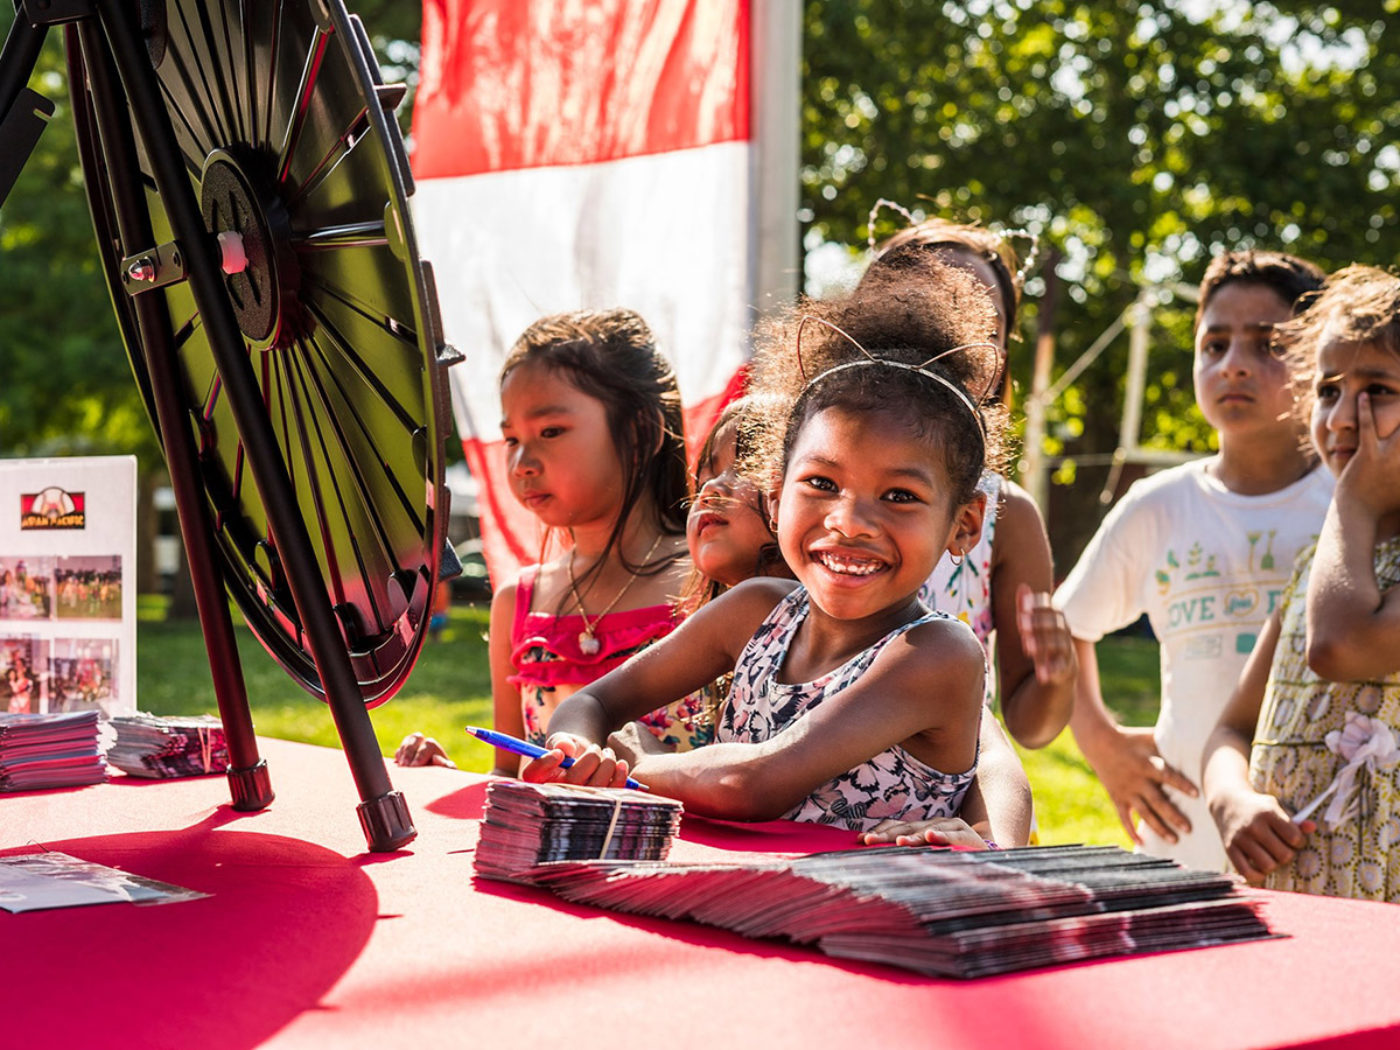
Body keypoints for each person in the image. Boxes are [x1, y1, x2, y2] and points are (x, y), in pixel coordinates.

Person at [521, 263, 1006, 834]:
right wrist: (578, 748)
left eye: (899, 495)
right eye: (822, 484)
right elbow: (592, 704)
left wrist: (638, 766)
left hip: (868, 918)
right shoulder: (757, 612)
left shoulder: (937, 652)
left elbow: (749, 785)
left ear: (964, 524)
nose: (850, 522)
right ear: (776, 499)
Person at [1056, 249, 1330, 871]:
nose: (1235, 365)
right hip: (1185, 841)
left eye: (1269, 344)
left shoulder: (1355, 503)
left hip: (1331, 837)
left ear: (1319, 360)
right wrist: (1102, 744)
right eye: (1215, 345)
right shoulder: (1158, 506)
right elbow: (1062, 625)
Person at [395, 308, 698, 770]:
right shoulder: (517, 601)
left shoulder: (712, 583)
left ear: (642, 431)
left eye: (550, 431)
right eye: (511, 439)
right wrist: (449, 780)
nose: (521, 464)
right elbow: (511, 774)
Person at [1203, 265, 1400, 900]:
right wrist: (1231, 798)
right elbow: (1231, 727)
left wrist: (1358, 502)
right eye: (1328, 390)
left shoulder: (1344, 532)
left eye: (1378, 390)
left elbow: (1339, 646)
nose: (1343, 417)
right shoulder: (1319, 563)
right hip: (1297, 906)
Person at [856, 206, 1076, 751]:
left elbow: (1030, 725)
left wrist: (1056, 678)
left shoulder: (1008, 515)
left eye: (986, 324)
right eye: (931, 310)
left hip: (940, 812)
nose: (955, 338)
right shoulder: (808, 487)